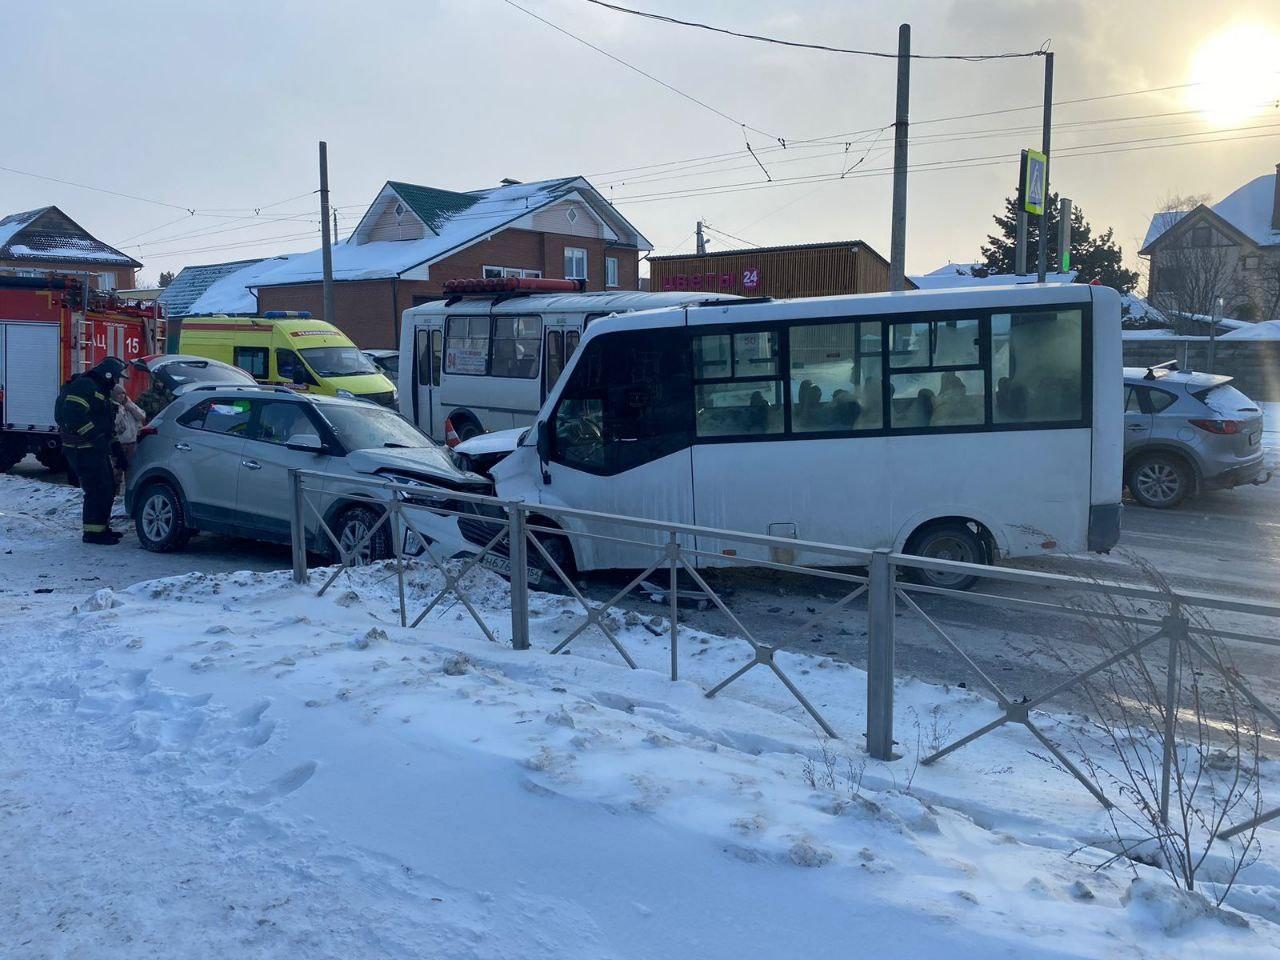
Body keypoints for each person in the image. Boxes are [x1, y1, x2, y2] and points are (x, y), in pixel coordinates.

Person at [54, 357, 127, 545]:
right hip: (81, 448)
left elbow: (105, 424)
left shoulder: (100, 391)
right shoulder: (85, 386)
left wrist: (116, 448)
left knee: (107, 487)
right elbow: (74, 415)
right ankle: (92, 533)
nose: (116, 382)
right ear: (108, 374)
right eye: (116, 378)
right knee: (97, 489)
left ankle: (101, 527)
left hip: (93, 448)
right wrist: (95, 437)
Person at [112, 382, 146, 492]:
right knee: (117, 470)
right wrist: (119, 409)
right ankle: (114, 492)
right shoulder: (113, 407)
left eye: (123, 394)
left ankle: (128, 491)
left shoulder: (129, 405)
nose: (121, 396)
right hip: (119, 443)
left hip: (132, 442)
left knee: (130, 470)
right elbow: (115, 424)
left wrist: (129, 406)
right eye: (118, 394)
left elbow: (141, 415)